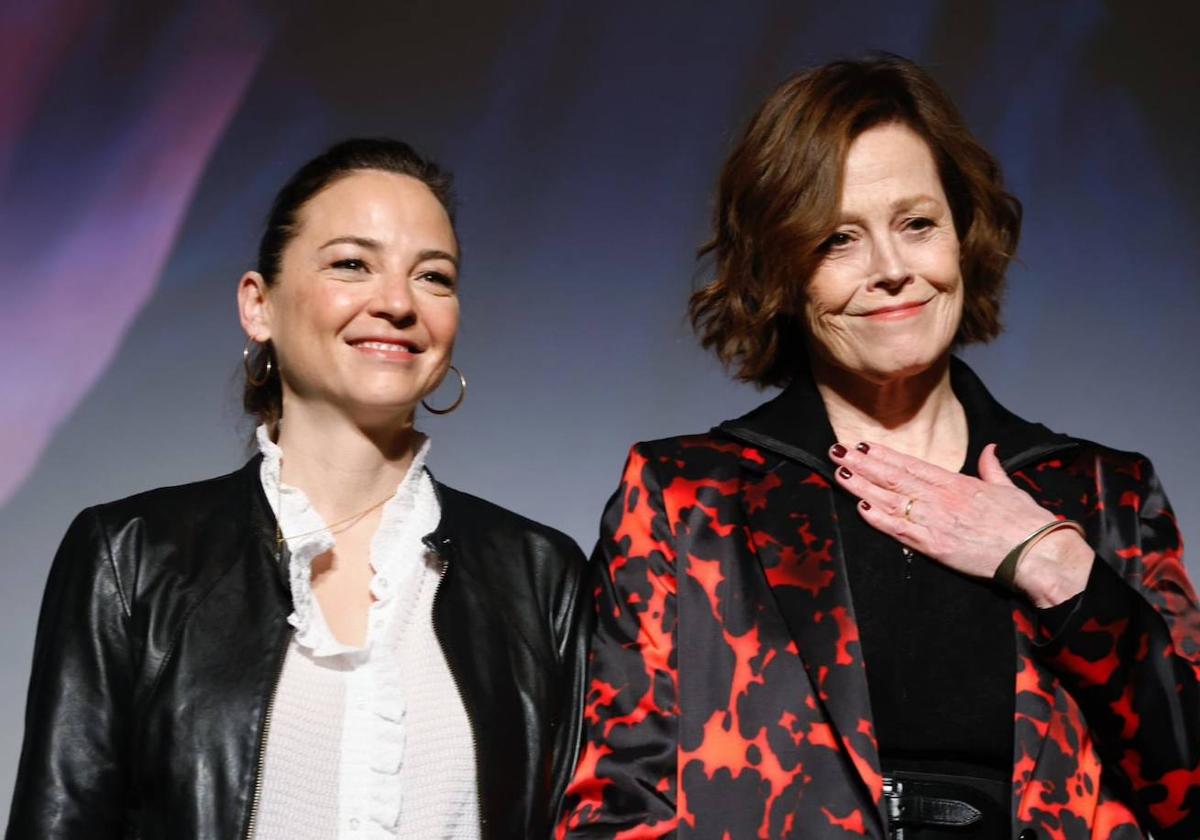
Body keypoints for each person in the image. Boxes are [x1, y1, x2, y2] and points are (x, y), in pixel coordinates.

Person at [559, 55, 1200, 839]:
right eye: (837, 239)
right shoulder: (686, 499)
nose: (892, 270)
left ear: (965, 236)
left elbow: (1188, 789)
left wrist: (1061, 570)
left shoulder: (1105, 496)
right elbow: (617, 805)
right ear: (780, 271)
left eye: (917, 223)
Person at [7, 138, 589, 840]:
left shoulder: (539, 574)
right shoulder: (129, 557)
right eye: (352, 264)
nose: (398, 302)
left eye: (434, 277)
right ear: (260, 306)